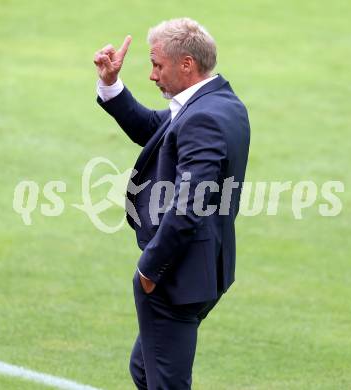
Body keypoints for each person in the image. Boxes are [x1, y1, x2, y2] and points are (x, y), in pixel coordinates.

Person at [94, 17, 250, 390]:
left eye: (157, 64)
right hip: (204, 268)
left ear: (186, 64)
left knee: (163, 381)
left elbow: (189, 205)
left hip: (175, 274)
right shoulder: (220, 103)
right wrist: (112, 85)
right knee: (147, 370)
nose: (152, 75)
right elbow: (156, 130)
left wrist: (150, 269)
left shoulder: (202, 118)